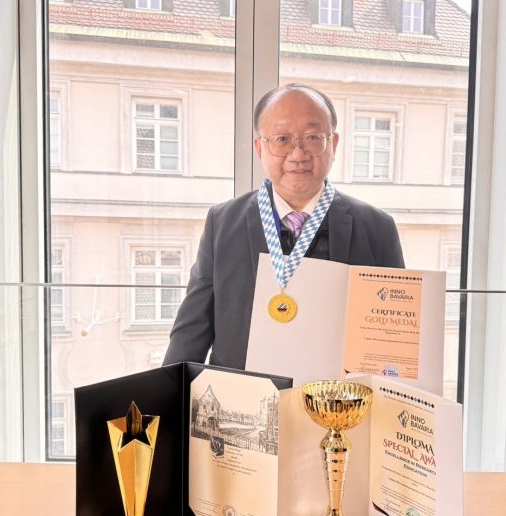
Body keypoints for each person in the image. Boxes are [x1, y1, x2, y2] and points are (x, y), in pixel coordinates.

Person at [163, 83, 404, 369]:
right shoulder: (222, 223)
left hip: (335, 396)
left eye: (312, 137)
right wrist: (166, 392)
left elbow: (392, 339)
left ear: (334, 144)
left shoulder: (377, 228)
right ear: (259, 148)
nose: (298, 154)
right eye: (281, 139)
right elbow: (192, 330)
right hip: (242, 393)